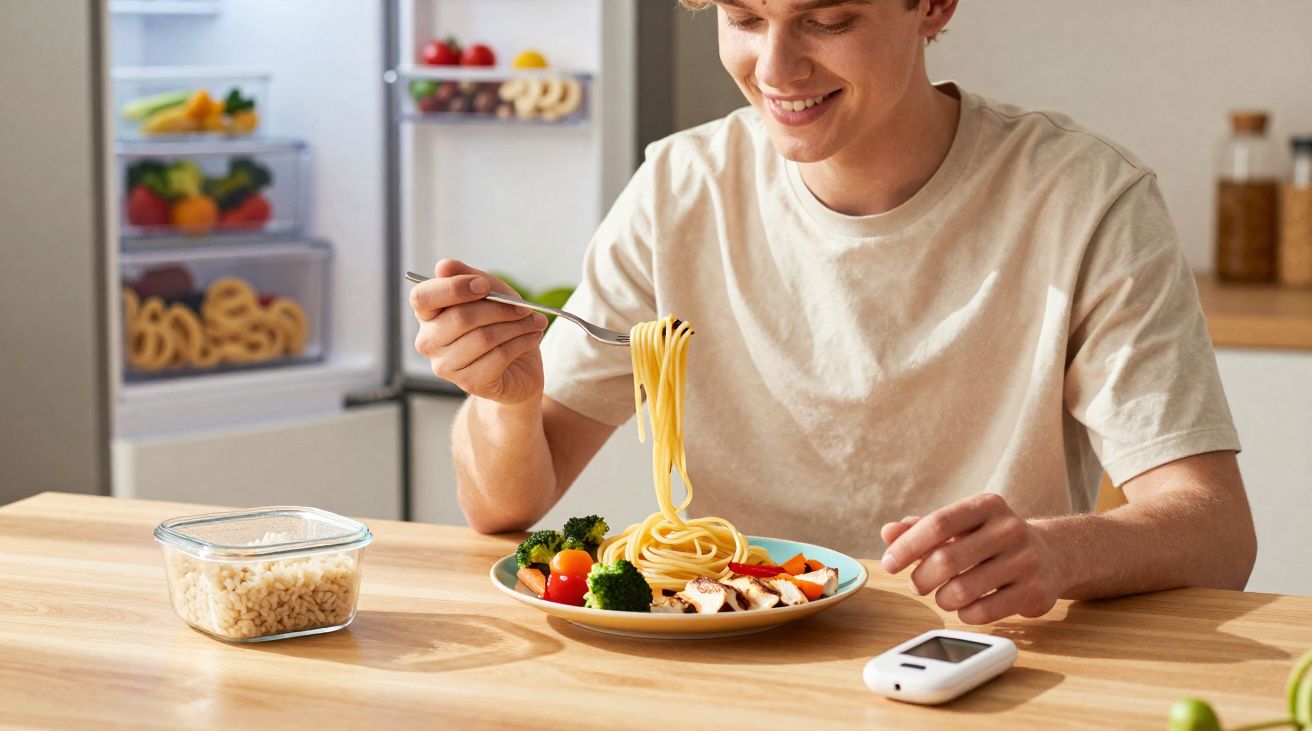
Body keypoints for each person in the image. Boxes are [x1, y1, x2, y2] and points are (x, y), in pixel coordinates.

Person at [409, 0, 1256, 625]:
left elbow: (1218, 533)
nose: (776, 69)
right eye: (744, 18)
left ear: (932, 7)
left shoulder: (1085, 199)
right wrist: (505, 402)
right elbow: (502, 508)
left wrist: (1057, 550)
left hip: (978, 663)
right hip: (728, 657)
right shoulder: (678, 190)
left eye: (827, 20)